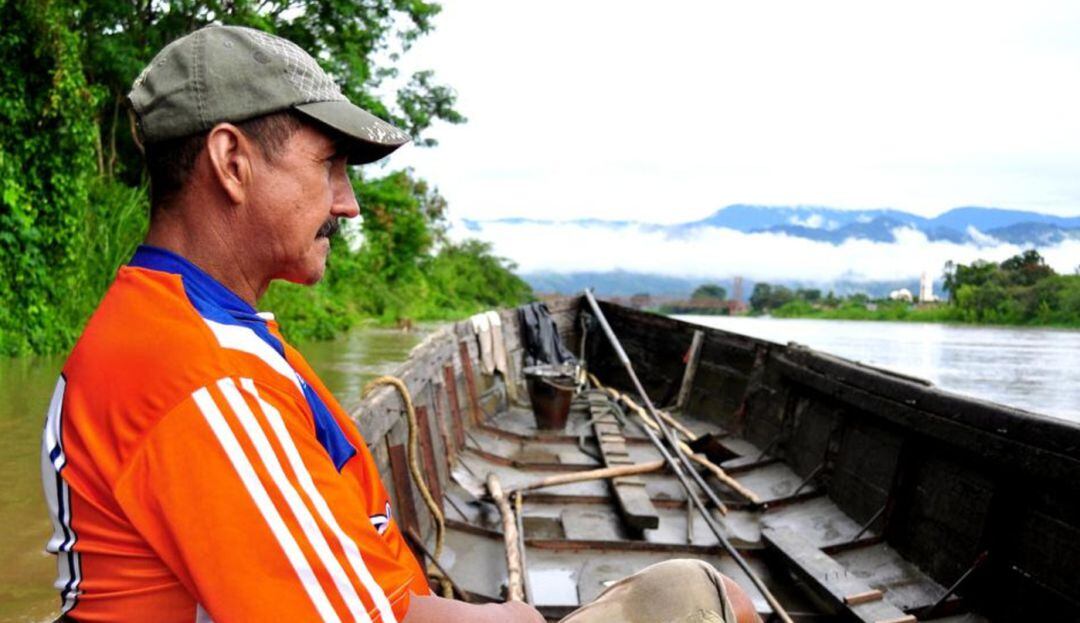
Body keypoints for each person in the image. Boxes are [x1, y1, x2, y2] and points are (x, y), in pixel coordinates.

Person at [40, 24, 758, 623]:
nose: (346, 203)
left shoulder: (201, 327)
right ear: (232, 162)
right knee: (699, 598)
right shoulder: (198, 378)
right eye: (330, 165)